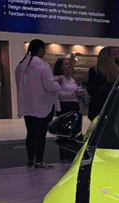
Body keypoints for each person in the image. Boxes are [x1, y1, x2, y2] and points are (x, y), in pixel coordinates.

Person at [15, 39, 61, 168]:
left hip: (26, 105)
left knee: (30, 133)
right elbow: (50, 85)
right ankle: (39, 161)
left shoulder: (21, 65)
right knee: (40, 134)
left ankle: (30, 159)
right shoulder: (42, 65)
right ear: (40, 50)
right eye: (44, 49)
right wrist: (58, 84)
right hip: (42, 106)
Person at [53, 58, 85, 161]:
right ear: (61, 67)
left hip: (74, 106)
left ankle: (74, 155)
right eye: (66, 64)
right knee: (65, 132)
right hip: (64, 107)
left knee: (75, 131)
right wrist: (72, 93)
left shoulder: (71, 79)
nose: (69, 66)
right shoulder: (57, 79)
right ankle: (65, 155)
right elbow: (58, 94)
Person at [86, 47, 119, 121]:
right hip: (111, 106)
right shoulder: (117, 72)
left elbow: (90, 89)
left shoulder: (94, 71)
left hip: (97, 106)